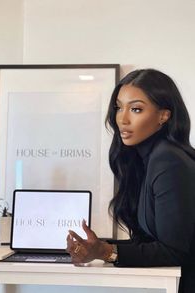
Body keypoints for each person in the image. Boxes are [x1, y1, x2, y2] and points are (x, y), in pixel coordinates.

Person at [66, 69, 195, 293]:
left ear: (164, 116)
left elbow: (175, 250)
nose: (122, 119)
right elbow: (150, 241)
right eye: (119, 107)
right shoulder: (149, 158)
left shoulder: (169, 160)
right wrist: (97, 247)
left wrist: (106, 252)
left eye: (136, 109)